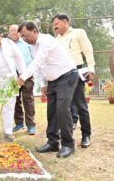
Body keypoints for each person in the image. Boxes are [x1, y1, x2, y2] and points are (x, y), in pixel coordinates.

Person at [17, 21, 79, 158]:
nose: (24, 39)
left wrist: (23, 77)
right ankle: (53, 142)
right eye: (22, 37)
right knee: (51, 111)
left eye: (25, 35)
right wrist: (43, 84)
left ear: (34, 31)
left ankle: (68, 144)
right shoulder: (33, 47)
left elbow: (38, 61)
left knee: (62, 109)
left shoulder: (46, 40)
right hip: (53, 81)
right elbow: (40, 68)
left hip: (67, 75)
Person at [52, 13, 95, 148]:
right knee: (64, 106)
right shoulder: (56, 39)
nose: (55, 27)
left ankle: (86, 135)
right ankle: (66, 133)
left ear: (65, 22)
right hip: (61, 74)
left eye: (56, 24)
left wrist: (91, 68)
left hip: (76, 72)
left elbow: (88, 50)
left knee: (81, 104)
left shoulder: (79, 33)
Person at [8, 24, 36, 135]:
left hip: (27, 74)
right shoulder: (7, 45)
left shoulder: (27, 43)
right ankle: (19, 123)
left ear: (19, 32)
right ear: (9, 34)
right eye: (11, 31)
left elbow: (34, 59)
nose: (14, 32)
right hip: (13, 76)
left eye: (15, 30)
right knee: (15, 100)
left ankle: (31, 125)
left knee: (28, 100)